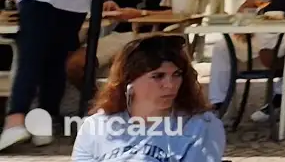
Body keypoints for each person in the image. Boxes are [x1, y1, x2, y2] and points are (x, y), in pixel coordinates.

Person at [0, 0, 91, 150]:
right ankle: (43, 123)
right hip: (75, 3)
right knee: (55, 62)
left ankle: (15, 120)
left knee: (31, 58)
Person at [71, 34, 224, 162]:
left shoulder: (201, 125)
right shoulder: (96, 127)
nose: (170, 85)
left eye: (177, 75)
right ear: (129, 81)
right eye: (158, 76)